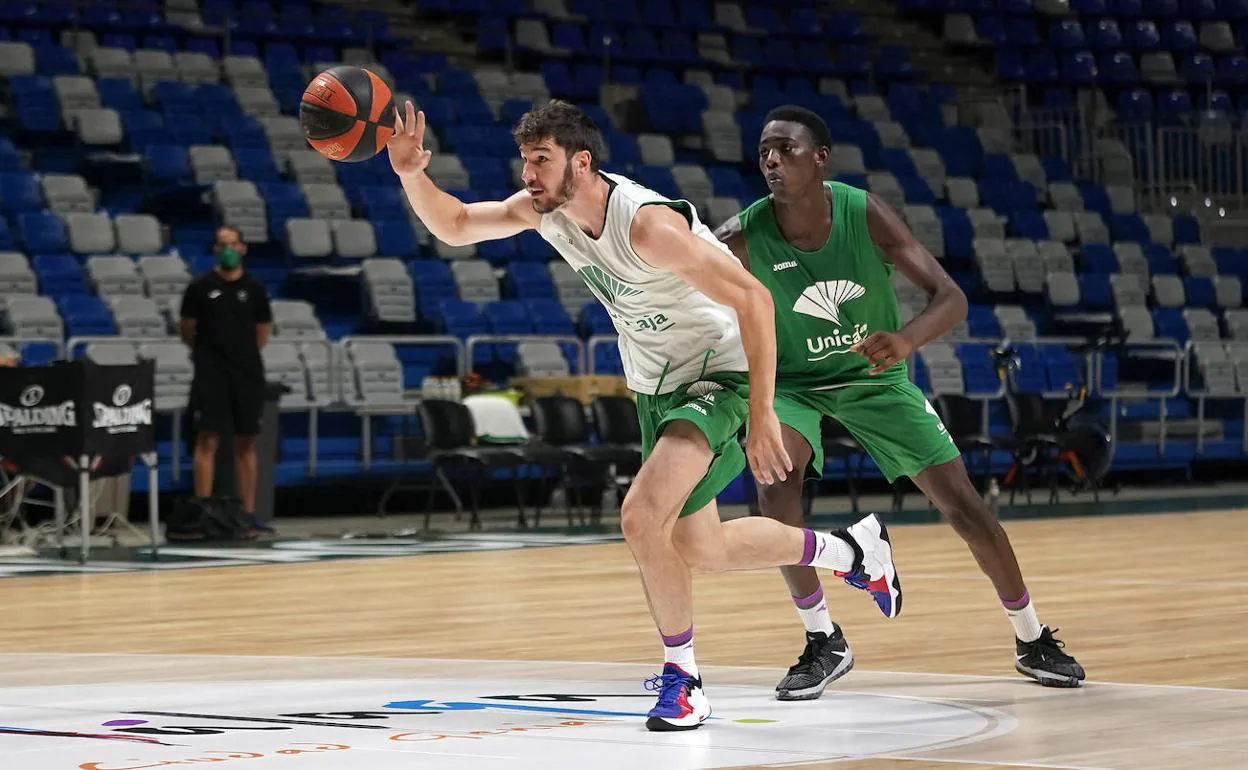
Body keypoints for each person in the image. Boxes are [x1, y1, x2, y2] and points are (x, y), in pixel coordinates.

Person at [386, 99, 903, 732]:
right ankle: (851, 551)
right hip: (658, 387)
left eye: (541, 160)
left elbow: (756, 299)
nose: (528, 173)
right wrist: (412, 173)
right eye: (524, 160)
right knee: (699, 546)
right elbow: (460, 223)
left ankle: (683, 681)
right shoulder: (546, 212)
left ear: (581, 161)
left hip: (722, 375)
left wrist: (764, 414)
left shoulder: (647, 226)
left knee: (639, 517)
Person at [714, 105, 1086, 699]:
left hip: (874, 378)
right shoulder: (740, 235)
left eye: (785, 149)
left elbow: (951, 297)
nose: (772, 160)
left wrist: (906, 339)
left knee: (964, 507)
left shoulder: (863, 212)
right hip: (795, 385)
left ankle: (1031, 634)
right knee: (774, 482)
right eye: (764, 151)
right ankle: (822, 639)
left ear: (820, 158)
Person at [179, 226, 274, 533]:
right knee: (208, 438)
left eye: (233, 243)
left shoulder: (255, 289)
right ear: (216, 250)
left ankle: (247, 514)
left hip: (247, 374)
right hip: (211, 374)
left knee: (246, 442)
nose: (229, 249)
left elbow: (261, 334)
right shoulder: (200, 287)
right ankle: (204, 511)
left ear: (243, 248)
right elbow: (187, 330)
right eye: (223, 244)